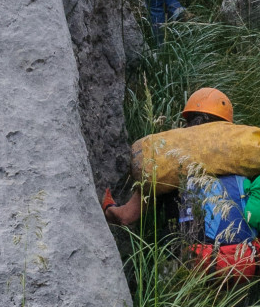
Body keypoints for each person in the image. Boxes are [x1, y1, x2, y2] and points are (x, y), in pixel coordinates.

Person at [101, 86, 235, 229]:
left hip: (183, 242)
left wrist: (108, 207)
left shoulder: (167, 161)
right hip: (238, 242)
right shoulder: (239, 161)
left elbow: (125, 217)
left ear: (188, 125)